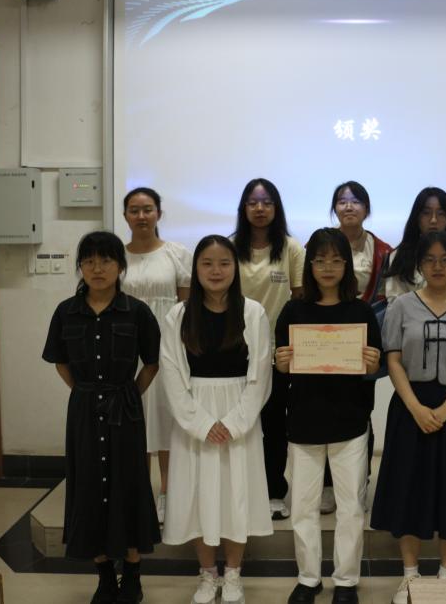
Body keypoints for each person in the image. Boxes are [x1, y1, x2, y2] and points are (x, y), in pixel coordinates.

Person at [370, 231, 446, 604]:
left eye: (445, 259)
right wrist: (416, 408)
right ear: (419, 265)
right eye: (429, 260)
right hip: (410, 408)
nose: (437, 266)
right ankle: (410, 576)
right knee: (408, 488)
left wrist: (445, 409)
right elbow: (393, 360)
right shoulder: (401, 306)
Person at [42, 231, 161, 604]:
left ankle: (133, 577)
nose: (97, 268)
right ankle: (105, 578)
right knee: (88, 487)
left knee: (129, 485)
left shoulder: (137, 312)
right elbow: (60, 362)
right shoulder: (66, 312)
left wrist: (127, 394)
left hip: (125, 409)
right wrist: (85, 392)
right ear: (80, 267)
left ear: (120, 266)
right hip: (83, 410)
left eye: (106, 261)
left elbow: (152, 363)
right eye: (89, 261)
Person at [160, 235, 273, 604]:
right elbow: (171, 373)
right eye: (207, 263)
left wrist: (236, 422)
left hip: (239, 415)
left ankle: (234, 574)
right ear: (195, 268)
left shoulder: (253, 312)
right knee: (197, 496)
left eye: (224, 263)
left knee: (236, 495)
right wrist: (202, 424)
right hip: (194, 417)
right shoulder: (178, 315)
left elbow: (261, 373)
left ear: (235, 268)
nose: (216, 270)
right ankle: (208, 574)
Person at [275, 229, 382, 604]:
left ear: (347, 265)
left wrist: (373, 362)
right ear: (309, 265)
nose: (328, 267)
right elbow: (280, 367)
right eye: (320, 260)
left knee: (350, 506)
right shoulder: (293, 310)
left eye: (336, 260)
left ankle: (346, 581)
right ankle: (308, 578)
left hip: (350, 422)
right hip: (303, 420)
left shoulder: (362, 311)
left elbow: (373, 368)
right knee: (303, 507)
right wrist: (281, 362)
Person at [233, 177, 305, 520]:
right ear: (244, 208)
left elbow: (300, 298)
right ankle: (241, 492)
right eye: (253, 202)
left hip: (278, 352)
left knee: (275, 425)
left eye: (267, 202)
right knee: (241, 423)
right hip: (236, 350)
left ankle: (275, 491)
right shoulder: (230, 247)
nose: (260, 209)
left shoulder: (291, 248)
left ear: (276, 208)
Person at [120, 186, 192, 524]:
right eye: (134, 210)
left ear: (159, 213)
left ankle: (167, 493)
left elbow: (186, 308)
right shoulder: (116, 257)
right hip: (126, 348)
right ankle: (139, 496)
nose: (141, 216)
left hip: (166, 347)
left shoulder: (177, 254)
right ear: (125, 216)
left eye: (147, 209)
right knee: (134, 420)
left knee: (165, 420)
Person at [322, 180, 392, 515]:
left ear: (366, 208)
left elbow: (389, 298)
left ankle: (358, 483)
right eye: (341, 201)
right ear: (334, 208)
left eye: (355, 200)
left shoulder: (384, 252)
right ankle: (327, 485)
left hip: (363, 341)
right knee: (324, 411)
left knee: (361, 411)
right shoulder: (319, 244)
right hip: (324, 339)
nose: (348, 206)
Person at [383, 187, 446, 303]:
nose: (433, 220)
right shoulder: (399, 256)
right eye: (426, 213)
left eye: (441, 213)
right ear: (417, 217)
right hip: (410, 314)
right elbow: (395, 303)